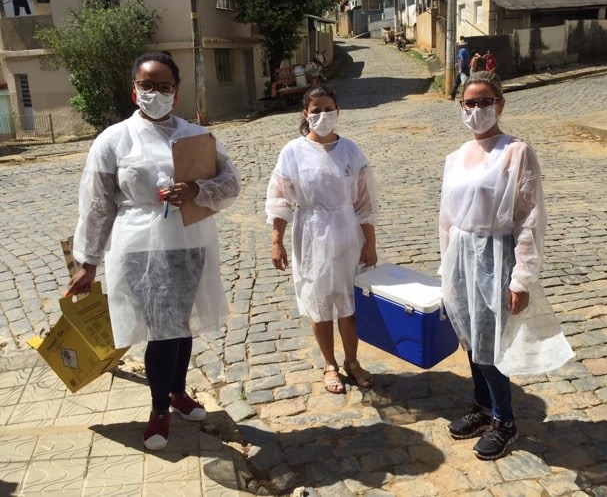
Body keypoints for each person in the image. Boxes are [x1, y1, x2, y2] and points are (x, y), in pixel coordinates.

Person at [66, 52, 241, 451]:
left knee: (180, 324)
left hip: (188, 242)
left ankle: (177, 392)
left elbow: (231, 181)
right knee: (160, 333)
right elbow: (97, 203)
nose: (156, 93)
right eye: (148, 85)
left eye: (164, 87)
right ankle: (159, 408)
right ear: (134, 91)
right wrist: (87, 261)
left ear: (176, 95)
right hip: (139, 246)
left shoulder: (195, 136)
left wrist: (196, 190)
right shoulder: (113, 140)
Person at [439, 71, 574, 460]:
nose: (477, 109)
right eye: (469, 103)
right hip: (461, 255)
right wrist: (447, 266)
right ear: (461, 108)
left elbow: (528, 218)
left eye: (484, 101)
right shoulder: (456, 157)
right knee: (470, 336)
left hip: (495, 254)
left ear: (500, 104)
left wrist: (521, 278)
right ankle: (483, 408)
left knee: (492, 341)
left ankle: (505, 420)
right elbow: (446, 217)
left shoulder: (515, 151)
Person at [266, 83, 378, 394]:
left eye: (329, 109)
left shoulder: (350, 150)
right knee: (319, 302)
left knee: (350, 303)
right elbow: (280, 199)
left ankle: (352, 361)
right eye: (316, 111)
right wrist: (277, 240)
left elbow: (365, 201)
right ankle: (329, 363)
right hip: (311, 233)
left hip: (348, 232)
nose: (323, 115)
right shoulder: (293, 152)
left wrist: (370, 242)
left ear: (338, 111)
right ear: (306, 114)